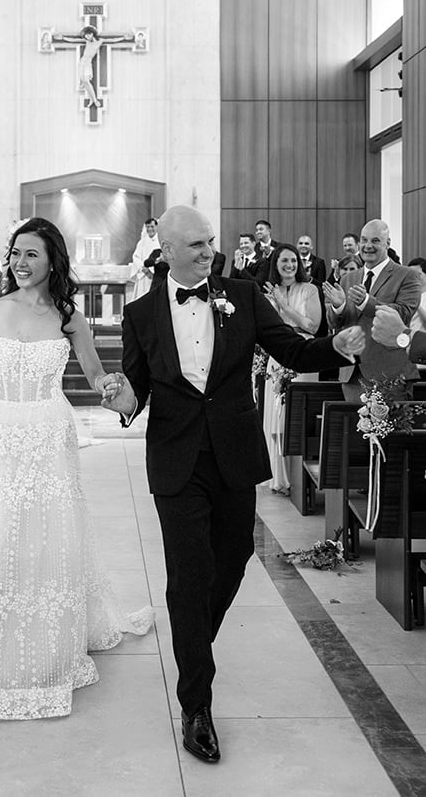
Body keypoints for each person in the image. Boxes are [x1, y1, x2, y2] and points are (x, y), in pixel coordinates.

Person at [101, 206, 364, 764]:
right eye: (195, 244)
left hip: (232, 451)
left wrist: (336, 349)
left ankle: (193, 640)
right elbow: (136, 390)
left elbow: (291, 348)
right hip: (176, 458)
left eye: (209, 242)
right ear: (166, 249)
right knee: (188, 574)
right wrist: (121, 398)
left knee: (235, 554)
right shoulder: (142, 312)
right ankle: (196, 701)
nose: (207, 251)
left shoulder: (242, 296)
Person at [0, 217, 154, 718]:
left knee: (45, 530)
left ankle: (46, 629)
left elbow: (93, 374)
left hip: (48, 430)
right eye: (16, 254)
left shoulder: (70, 318)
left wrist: (114, 390)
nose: (20, 263)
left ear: (52, 260)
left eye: (31, 254)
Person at [323, 219, 421, 402]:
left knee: (389, 430)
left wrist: (366, 302)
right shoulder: (348, 278)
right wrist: (338, 307)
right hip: (352, 373)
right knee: (351, 430)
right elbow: (335, 323)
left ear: (388, 243)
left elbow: (402, 313)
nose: (368, 246)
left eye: (375, 240)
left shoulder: (407, 275)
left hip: (389, 372)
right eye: (364, 240)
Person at [262, 244, 322, 494]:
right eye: (284, 261)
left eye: (294, 261)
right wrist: (273, 302)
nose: (290, 265)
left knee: (297, 415)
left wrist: (285, 307)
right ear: (275, 263)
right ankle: (279, 477)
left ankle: (300, 479)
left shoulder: (309, 289)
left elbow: (313, 326)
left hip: (304, 352)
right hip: (277, 355)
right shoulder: (268, 291)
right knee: (275, 416)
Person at [53, 26, 133, 108]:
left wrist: (123, 38)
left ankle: (94, 100)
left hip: (88, 64)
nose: (87, 37)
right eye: (85, 36)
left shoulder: (100, 41)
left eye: (88, 35)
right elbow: (73, 41)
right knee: (85, 82)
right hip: (81, 63)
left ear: (92, 34)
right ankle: (92, 99)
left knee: (86, 82)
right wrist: (63, 38)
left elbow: (112, 41)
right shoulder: (87, 42)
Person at [130, 218, 160, 299]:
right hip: (143, 275)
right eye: (148, 227)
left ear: (156, 227)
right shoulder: (142, 242)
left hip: (155, 277)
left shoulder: (160, 242)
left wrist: (151, 271)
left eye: (152, 226)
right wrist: (143, 269)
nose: (150, 229)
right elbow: (136, 257)